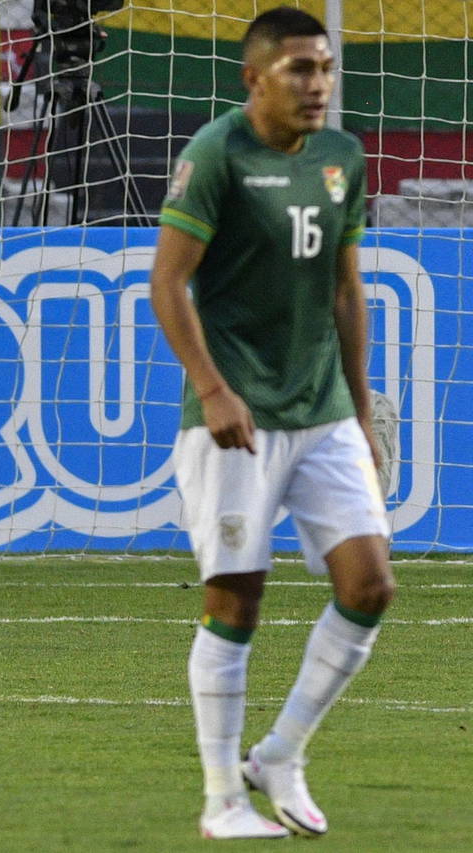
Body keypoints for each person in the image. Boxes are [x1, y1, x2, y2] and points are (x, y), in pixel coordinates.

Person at [149, 6, 395, 841]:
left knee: (369, 585)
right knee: (236, 600)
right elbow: (166, 283)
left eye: (324, 67)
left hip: (322, 408)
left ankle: (281, 752)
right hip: (235, 416)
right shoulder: (217, 155)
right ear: (254, 78)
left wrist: (360, 411)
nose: (317, 83)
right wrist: (213, 389)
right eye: (299, 68)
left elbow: (346, 290)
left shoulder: (342, 157)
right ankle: (223, 800)